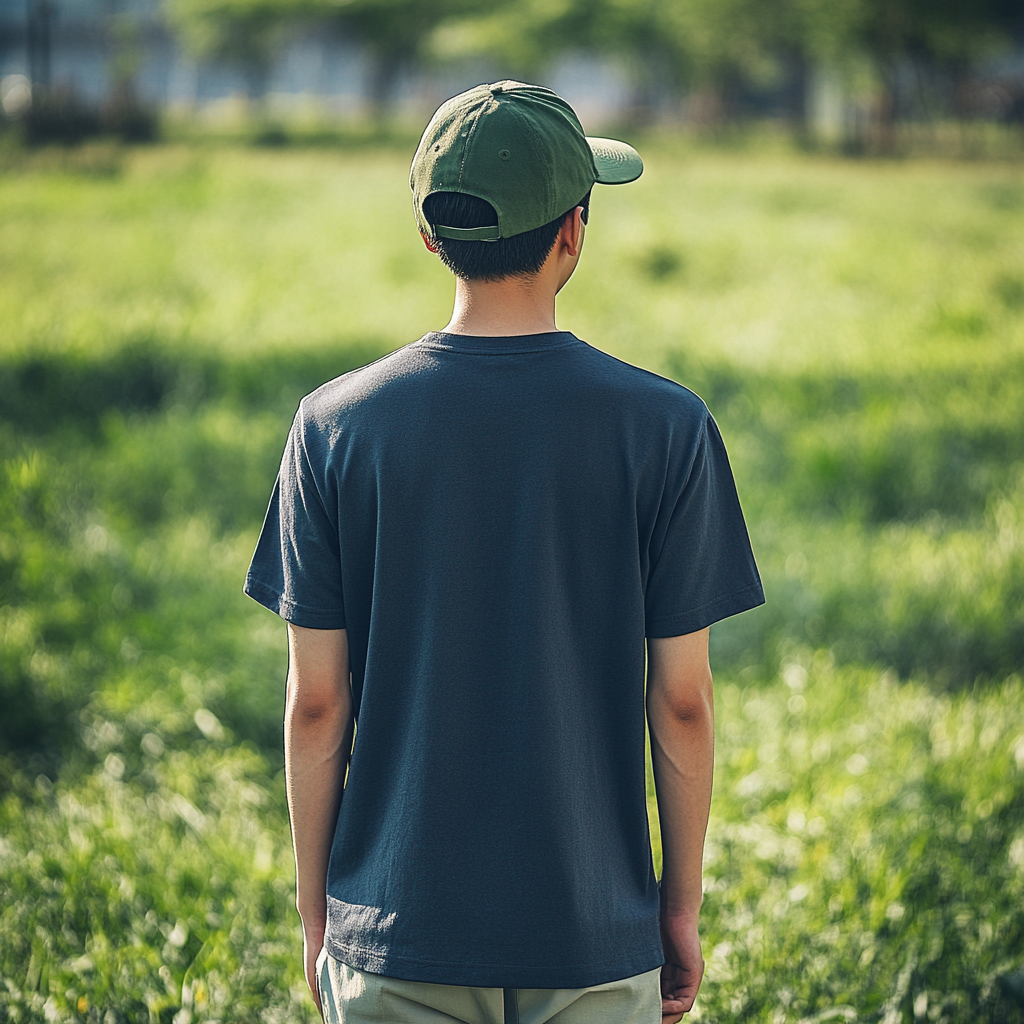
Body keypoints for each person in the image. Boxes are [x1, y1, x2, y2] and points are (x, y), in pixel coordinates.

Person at [244, 81, 764, 1024]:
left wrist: (317, 912)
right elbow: (682, 702)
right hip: (595, 941)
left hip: (395, 937)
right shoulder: (666, 427)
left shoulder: (332, 427)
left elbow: (318, 701)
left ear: (431, 236)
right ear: (574, 232)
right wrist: (676, 909)